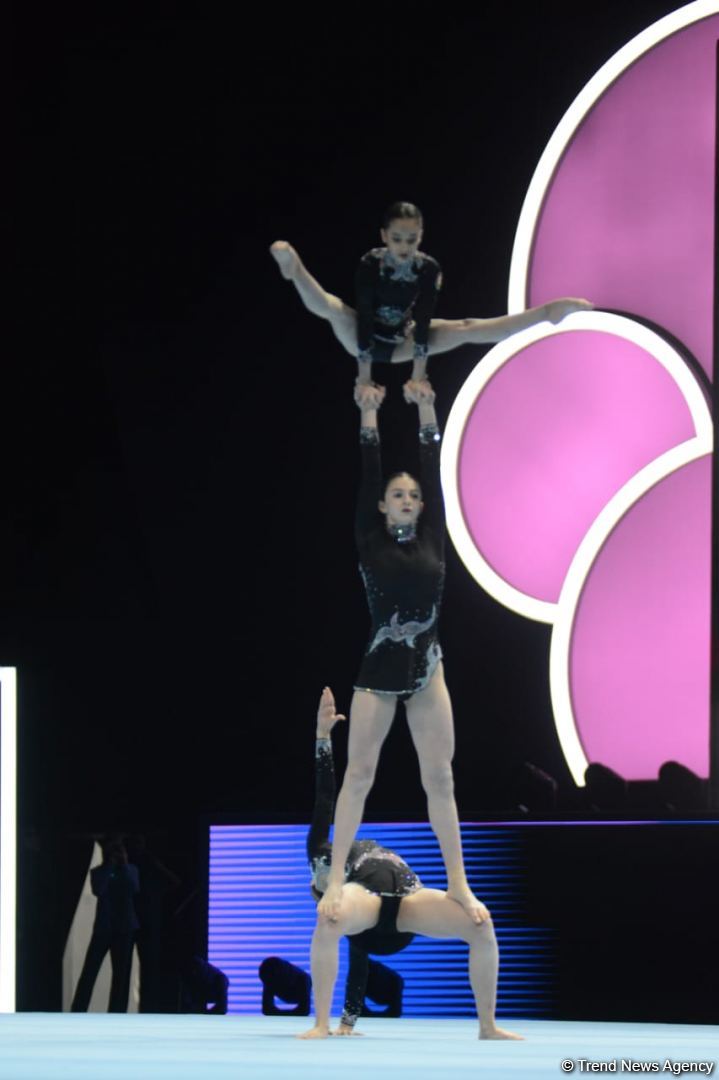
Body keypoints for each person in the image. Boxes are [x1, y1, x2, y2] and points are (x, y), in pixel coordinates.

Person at [317, 378, 483, 926]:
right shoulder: (370, 538)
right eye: (398, 495)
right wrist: (368, 417)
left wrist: (427, 408)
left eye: (413, 495)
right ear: (384, 508)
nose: (408, 499)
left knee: (441, 778)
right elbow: (368, 475)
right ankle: (337, 879)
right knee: (359, 774)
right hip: (378, 671)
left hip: (428, 669)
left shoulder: (434, 535)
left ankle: (459, 885)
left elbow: (434, 468)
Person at [301, 687, 521, 1040]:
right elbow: (358, 961)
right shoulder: (342, 898)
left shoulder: (319, 846)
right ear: (318, 888)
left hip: (409, 904)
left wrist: (322, 736)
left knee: (480, 924)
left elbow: (324, 798)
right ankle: (321, 1025)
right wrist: (347, 1022)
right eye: (325, 886)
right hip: (371, 911)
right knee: (330, 921)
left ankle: (488, 1026)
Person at [270, 200, 591, 396]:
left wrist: (418, 374)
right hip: (362, 337)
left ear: (420, 236)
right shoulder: (370, 263)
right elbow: (365, 315)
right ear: (384, 236)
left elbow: (422, 322)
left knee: (467, 327)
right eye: (396, 238)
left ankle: (548, 312)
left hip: (404, 340)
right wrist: (363, 380)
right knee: (333, 308)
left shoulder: (428, 269)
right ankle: (295, 270)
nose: (404, 245)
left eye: (411, 239)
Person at [71, 836, 139, 1012]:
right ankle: (78, 1009)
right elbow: (99, 890)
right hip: (104, 927)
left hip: (124, 929)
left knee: (121, 976)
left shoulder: (131, 870)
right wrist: (109, 866)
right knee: (90, 971)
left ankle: (117, 1012)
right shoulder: (98, 872)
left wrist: (123, 864)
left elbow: (134, 887)